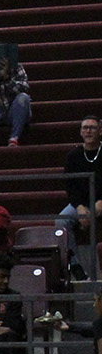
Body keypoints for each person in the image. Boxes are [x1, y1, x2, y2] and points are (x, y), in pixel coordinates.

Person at [59, 115, 102, 279]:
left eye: (92, 127)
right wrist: (80, 207)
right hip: (82, 203)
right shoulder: (73, 156)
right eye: (85, 128)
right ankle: (76, 266)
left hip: (100, 201)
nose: (88, 131)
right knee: (61, 220)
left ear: (100, 131)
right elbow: (70, 186)